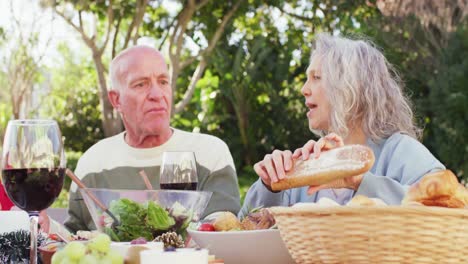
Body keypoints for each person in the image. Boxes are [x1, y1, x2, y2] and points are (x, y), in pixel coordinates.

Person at [241, 33, 445, 214]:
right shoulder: (305, 165)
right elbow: (244, 229)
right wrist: (269, 187)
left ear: (351, 87)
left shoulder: (400, 150)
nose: (304, 89)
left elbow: (448, 207)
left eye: (316, 77)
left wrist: (359, 180)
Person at [46, 45, 240, 234]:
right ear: (116, 100)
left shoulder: (210, 153)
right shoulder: (93, 162)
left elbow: (223, 233)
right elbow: (73, 239)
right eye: (141, 84)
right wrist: (44, 225)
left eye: (163, 82)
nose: (157, 95)